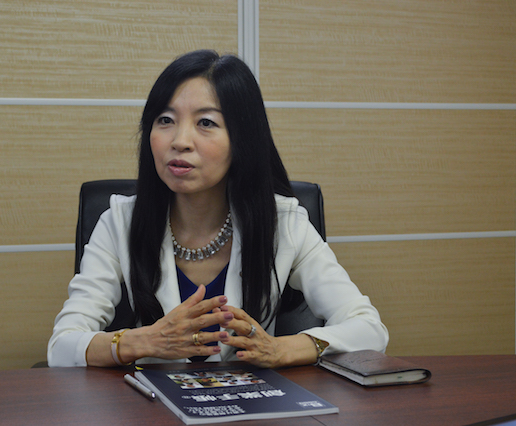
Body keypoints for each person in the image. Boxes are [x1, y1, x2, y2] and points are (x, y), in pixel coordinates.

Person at [48, 50, 388, 368]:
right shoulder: (119, 222)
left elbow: (369, 329)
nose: (180, 141)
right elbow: (62, 346)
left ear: (242, 140)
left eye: (206, 123)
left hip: (253, 402)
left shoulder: (284, 224)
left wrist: (282, 349)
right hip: (151, 404)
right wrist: (141, 342)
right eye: (165, 120)